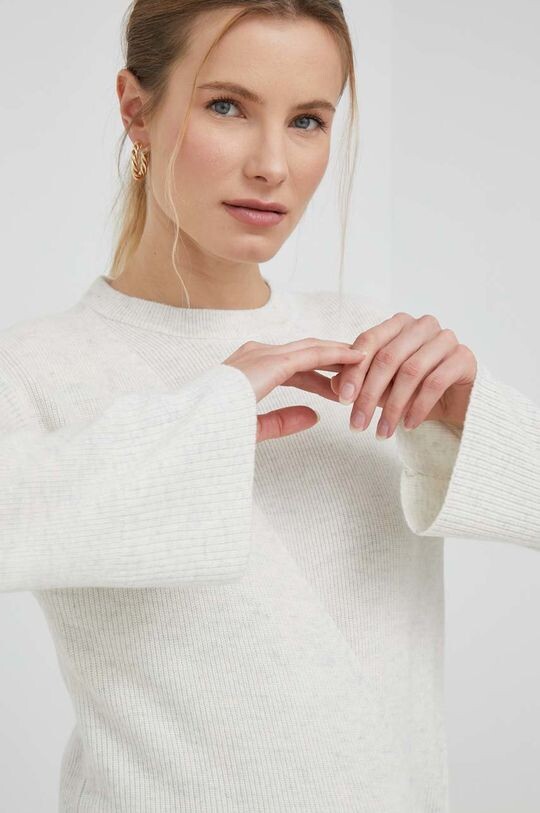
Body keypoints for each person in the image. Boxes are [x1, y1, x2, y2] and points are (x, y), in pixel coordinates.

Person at [1, 2, 539, 811]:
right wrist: (209, 410)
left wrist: (474, 418)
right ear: (136, 110)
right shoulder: (36, 367)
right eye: (227, 106)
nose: (272, 165)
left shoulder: (370, 347)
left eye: (307, 121)